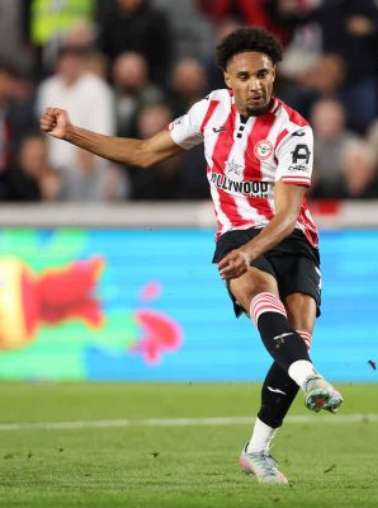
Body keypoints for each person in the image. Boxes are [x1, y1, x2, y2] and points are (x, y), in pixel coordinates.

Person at [40, 27, 342, 485]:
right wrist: (71, 133)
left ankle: (257, 449)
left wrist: (253, 251)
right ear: (227, 77)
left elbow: (287, 214)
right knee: (262, 297)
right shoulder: (210, 111)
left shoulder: (294, 130)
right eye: (244, 76)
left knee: (298, 333)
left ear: (275, 73)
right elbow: (143, 153)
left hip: (291, 239)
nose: (255, 84)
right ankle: (312, 378)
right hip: (236, 234)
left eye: (263, 74)